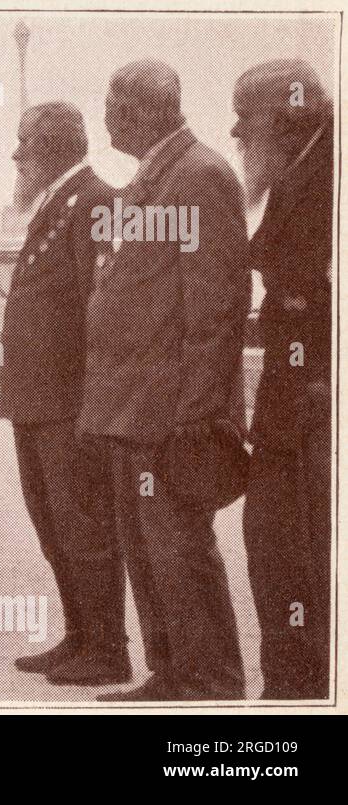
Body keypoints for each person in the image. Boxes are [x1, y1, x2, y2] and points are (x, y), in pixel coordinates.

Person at [84, 61, 250, 701]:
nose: (107, 116)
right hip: (133, 412)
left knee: (179, 549)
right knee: (147, 549)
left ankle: (211, 680)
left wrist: (196, 416)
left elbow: (217, 311)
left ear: (144, 110)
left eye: (114, 102)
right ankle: (172, 671)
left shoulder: (200, 177)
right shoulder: (156, 178)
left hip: (169, 414)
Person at [0, 102, 127, 686]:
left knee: (85, 526)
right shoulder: (56, 204)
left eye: (25, 145)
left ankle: (107, 649)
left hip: (67, 403)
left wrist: (90, 406)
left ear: (51, 148)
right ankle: (80, 635)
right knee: (53, 525)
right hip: (35, 402)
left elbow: (100, 311)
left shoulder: (94, 201)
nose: (17, 157)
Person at [232, 60, 332, 700]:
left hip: (320, 399)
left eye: (249, 118)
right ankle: (285, 691)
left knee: (314, 558)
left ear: (290, 127)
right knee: (271, 543)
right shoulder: (297, 173)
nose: (237, 131)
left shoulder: (329, 180)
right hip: (285, 397)